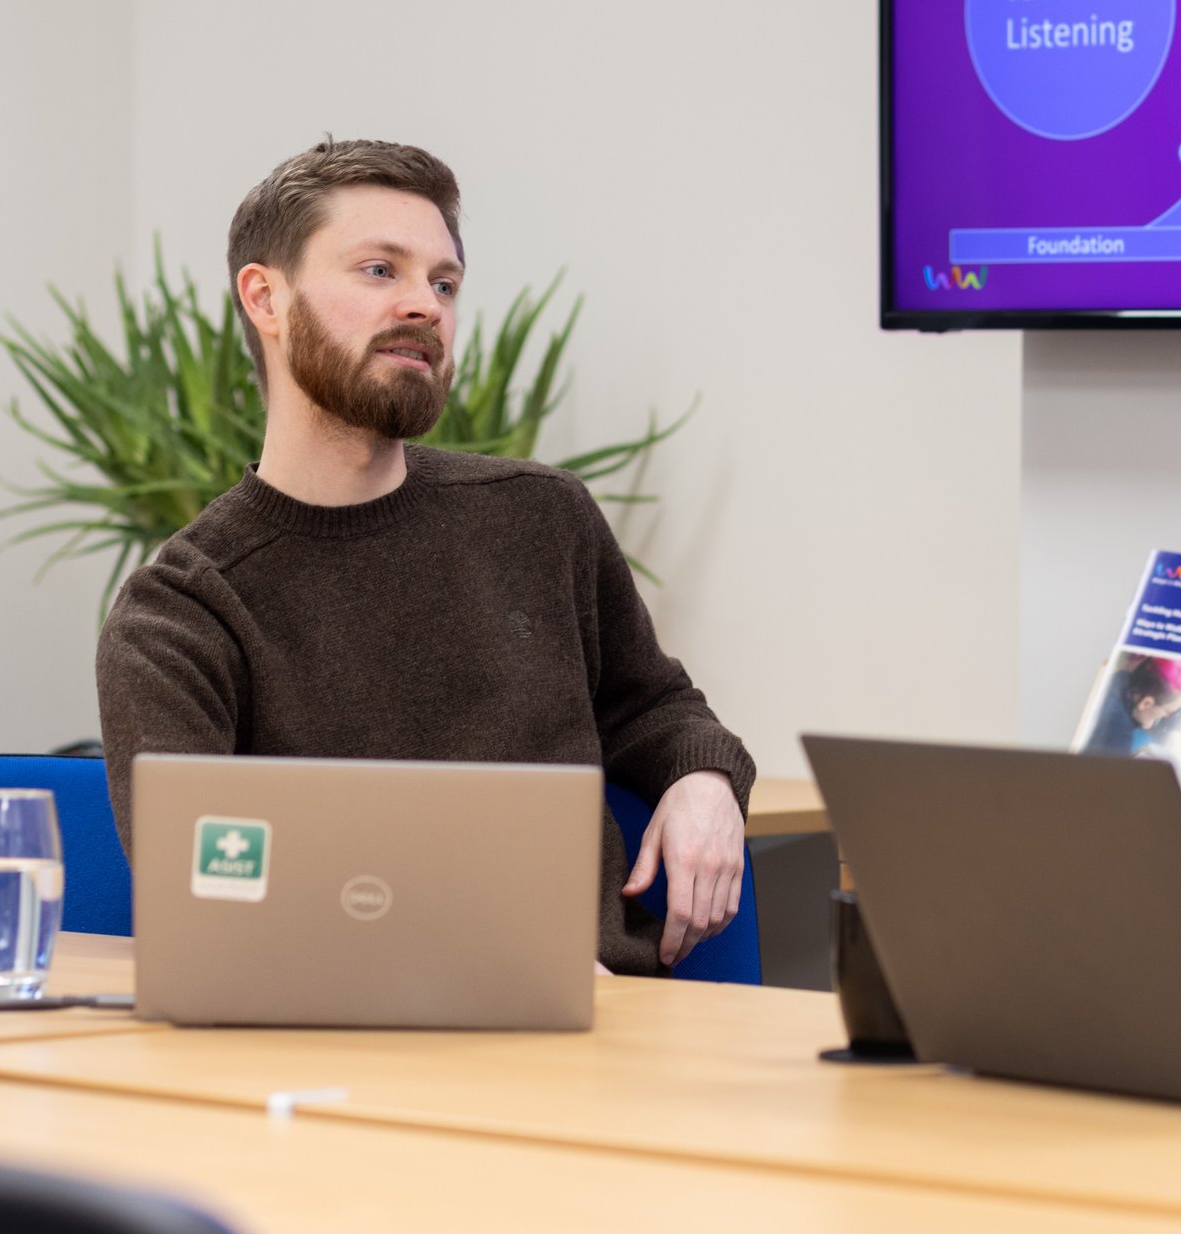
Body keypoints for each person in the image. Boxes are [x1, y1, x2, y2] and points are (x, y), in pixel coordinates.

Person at [96, 139, 755, 975]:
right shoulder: (179, 612)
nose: (425, 306)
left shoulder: (540, 518)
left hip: (603, 1034)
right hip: (345, 1051)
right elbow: (207, 890)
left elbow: (654, 706)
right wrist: (482, 970)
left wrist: (702, 778)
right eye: (381, 271)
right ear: (265, 296)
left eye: (444, 283)